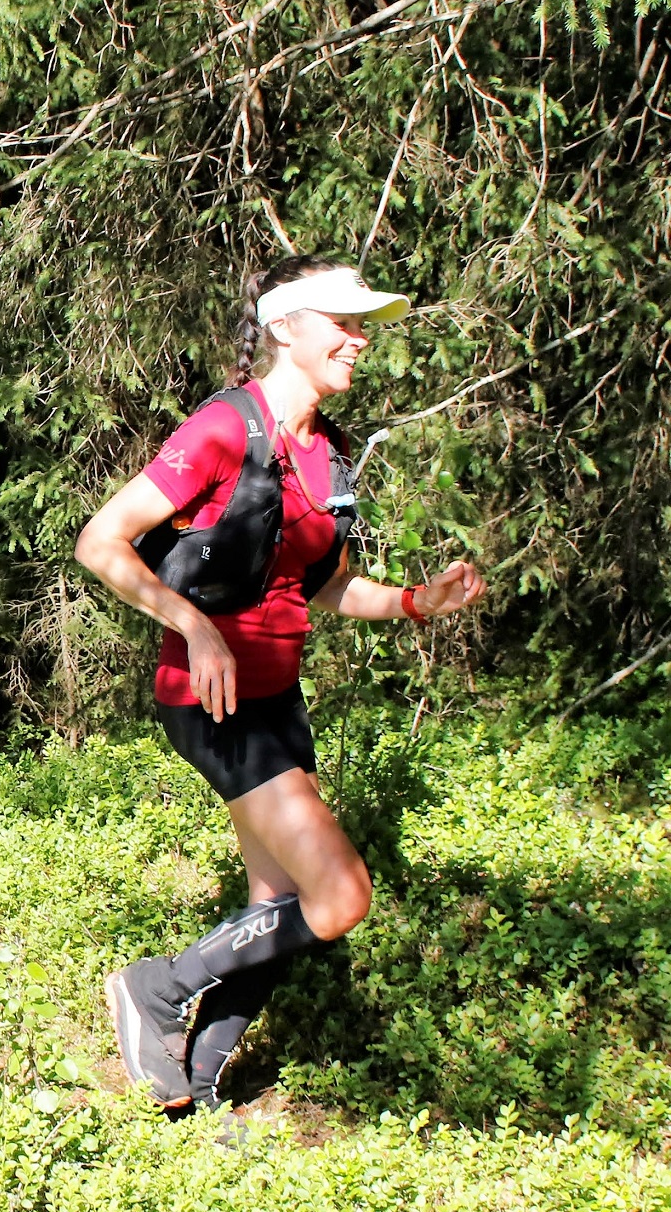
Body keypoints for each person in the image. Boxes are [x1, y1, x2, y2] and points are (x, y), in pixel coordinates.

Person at [74, 255, 488, 1122]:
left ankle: (199, 1080)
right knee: (338, 895)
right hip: (212, 695)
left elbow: (330, 584)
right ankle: (157, 986)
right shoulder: (227, 428)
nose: (359, 338)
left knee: (275, 904)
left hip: (278, 698)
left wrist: (417, 601)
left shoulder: (325, 454)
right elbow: (101, 541)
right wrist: (190, 623)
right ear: (287, 326)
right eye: (343, 321)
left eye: (362, 323)